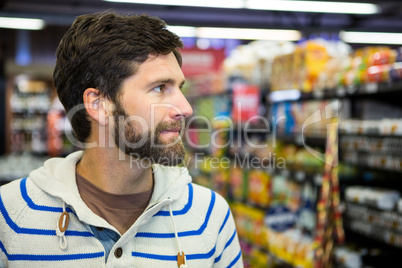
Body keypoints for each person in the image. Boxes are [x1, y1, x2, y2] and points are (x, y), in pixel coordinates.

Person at [0, 12, 242, 267]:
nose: (185, 108)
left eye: (179, 88)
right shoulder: (10, 216)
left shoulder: (209, 216)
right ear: (99, 104)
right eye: (160, 88)